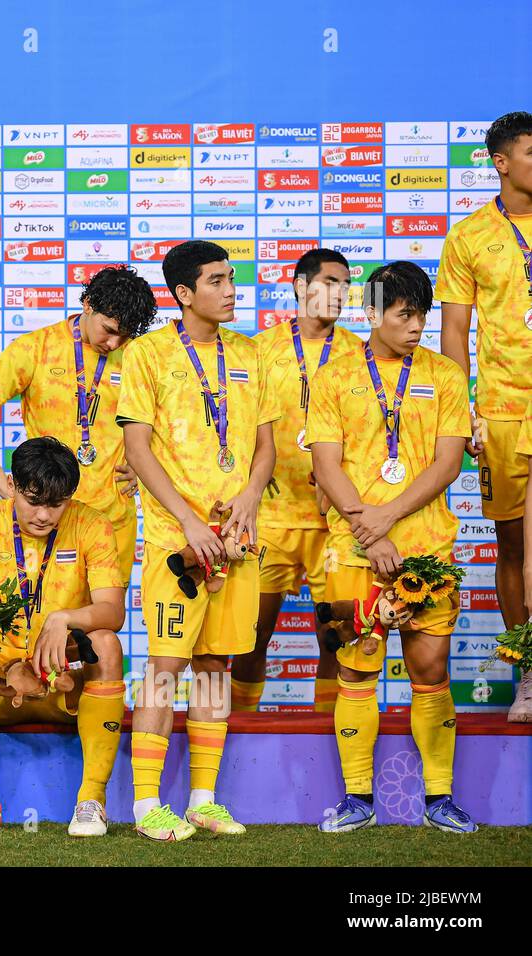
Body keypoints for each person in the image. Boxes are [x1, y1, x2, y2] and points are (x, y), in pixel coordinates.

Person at [117, 240, 278, 841]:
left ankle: (204, 800)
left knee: (214, 663)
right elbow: (138, 449)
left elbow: (264, 446)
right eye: (216, 281)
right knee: (166, 667)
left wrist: (250, 498)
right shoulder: (148, 354)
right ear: (184, 294)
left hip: (236, 537)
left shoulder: (250, 352)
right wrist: (187, 521)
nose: (231, 290)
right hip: (175, 540)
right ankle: (144, 805)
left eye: (231, 278)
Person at [309, 261, 475, 833]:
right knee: (355, 670)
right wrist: (367, 529)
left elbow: (448, 463)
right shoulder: (332, 378)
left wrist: (385, 523)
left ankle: (439, 798)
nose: (417, 327)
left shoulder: (448, 376)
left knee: (431, 671)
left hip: (426, 545)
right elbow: (325, 466)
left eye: (423, 315)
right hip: (352, 548)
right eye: (405, 315)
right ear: (372, 314)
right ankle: (357, 798)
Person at [0, 437, 127, 836]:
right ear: (10, 485)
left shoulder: (93, 524)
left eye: (55, 505)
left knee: (107, 643)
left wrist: (64, 618)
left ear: (69, 499)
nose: (42, 515)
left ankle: (91, 801)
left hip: (63, 681)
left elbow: (113, 611)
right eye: (32, 500)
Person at [0, 264, 157, 591]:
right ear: (88, 304)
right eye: (109, 329)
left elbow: (168, 426)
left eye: (125, 333)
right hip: (46, 519)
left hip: (111, 521)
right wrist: (4, 487)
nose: (114, 341)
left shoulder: (139, 356)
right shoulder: (35, 348)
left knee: (101, 631)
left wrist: (145, 466)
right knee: (38, 624)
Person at [231, 249, 360, 712]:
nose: (339, 293)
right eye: (329, 282)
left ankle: (328, 728)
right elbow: (235, 424)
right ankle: (240, 729)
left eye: (346, 284)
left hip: (337, 523)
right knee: (251, 637)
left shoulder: (358, 353)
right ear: (300, 287)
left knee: (338, 636)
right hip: (270, 520)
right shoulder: (258, 350)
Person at [438, 110, 532, 722]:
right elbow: (453, 333)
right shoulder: (470, 235)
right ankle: (528, 672)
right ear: (501, 161)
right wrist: (462, 413)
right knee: (512, 548)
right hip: (502, 409)